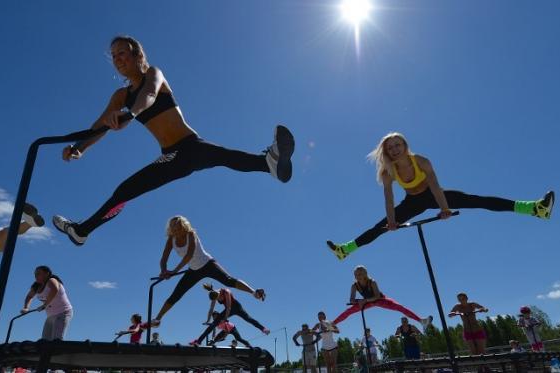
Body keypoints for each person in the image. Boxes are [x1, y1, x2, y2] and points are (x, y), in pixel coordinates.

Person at [52, 35, 295, 246]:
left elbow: (148, 95)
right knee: (126, 191)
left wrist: (130, 114)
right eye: (114, 56)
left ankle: (269, 164)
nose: (118, 59)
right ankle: (82, 232)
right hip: (173, 154)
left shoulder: (153, 74)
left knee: (222, 156)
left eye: (122, 53)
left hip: (189, 145)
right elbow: (99, 126)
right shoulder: (120, 96)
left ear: (137, 55)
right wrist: (79, 147)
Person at [327, 132, 554, 260]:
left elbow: (436, 187)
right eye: (391, 148)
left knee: (477, 200)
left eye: (398, 145)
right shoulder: (388, 171)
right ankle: (345, 249)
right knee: (381, 226)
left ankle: (534, 208)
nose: (395, 149)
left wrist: (444, 209)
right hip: (412, 202)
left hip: (433, 196)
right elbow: (388, 199)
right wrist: (393, 222)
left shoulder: (421, 161)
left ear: (405, 145)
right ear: (386, 152)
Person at [152, 216, 265, 326]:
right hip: (194, 270)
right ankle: (157, 320)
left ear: (183, 226)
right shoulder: (171, 239)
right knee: (176, 294)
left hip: (208, 264)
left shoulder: (191, 234)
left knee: (228, 281)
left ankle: (254, 292)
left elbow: (189, 255)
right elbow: (163, 258)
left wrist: (174, 271)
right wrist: (163, 270)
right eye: (172, 227)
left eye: (177, 226)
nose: (175, 229)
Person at [332, 266, 432, 331]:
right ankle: (333, 324)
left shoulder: (372, 282)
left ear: (365, 274)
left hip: (380, 300)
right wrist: (359, 301)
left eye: (360, 273)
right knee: (349, 311)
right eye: (356, 274)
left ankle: (421, 321)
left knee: (399, 307)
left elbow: (376, 296)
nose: (358, 276)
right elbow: (351, 300)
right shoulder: (354, 285)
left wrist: (365, 300)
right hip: (368, 302)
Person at [191, 284, 269, 346]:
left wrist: (224, 319)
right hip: (228, 310)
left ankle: (263, 329)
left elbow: (229, 307)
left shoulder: (226, 291)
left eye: (219, 298)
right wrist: (208, 320)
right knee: (213, 325)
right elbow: (211, 309)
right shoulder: (214, 295)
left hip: (237, 307)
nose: (219, 300)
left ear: (218, 294)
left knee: (248, 319)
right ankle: (199, 341)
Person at [22, 266, 73, 341]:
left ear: (47, 273)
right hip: (50, 316)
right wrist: (26, 307)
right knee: (45, 340)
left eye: (38, 274)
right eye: (35, 274)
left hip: (63, 312)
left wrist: (44, 305)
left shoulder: (52, 280)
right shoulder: (36, 286)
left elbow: (54, 290)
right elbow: (29, 296)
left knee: (57, 339)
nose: (36, 276)